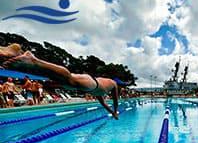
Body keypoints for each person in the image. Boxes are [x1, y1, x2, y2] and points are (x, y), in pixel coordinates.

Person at [4, 51, 132, 119]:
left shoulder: (103, 90)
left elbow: (103, 103)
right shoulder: (113, 84)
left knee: (56, 78)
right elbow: (115, 100)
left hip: (89, 83)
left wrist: (112, 112)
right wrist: (115, 111)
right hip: (91, 83)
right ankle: (33, 59)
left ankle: (17, 55)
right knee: (68, 78)